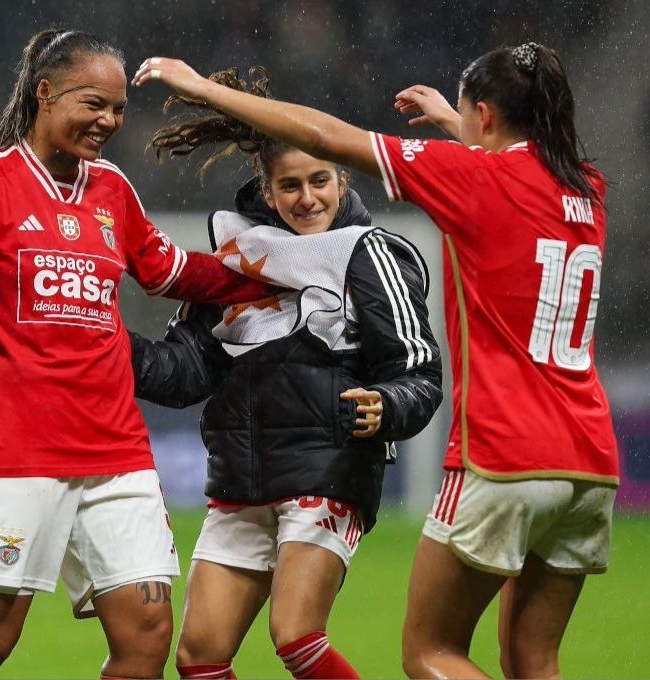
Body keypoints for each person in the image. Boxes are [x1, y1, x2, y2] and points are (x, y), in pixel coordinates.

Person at [135, 42, 618, 679]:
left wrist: (208, 90)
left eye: (469, 118)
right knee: (534, 660)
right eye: (289, 184)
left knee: (430, 653)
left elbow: (328, 135)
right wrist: (454, 122)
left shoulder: (467, 184)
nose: (307, 195)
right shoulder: (586, 186)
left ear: (488, 117)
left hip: (506, 453)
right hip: (590, 458)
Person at [0, 29, 272, 680]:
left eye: (117, 109)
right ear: (45, 92)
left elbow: (170, 271)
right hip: (16, 454)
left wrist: (269, 280)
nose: (108, 121)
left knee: (147, 639)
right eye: (94, 104)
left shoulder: (112, 190)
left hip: (116, 453)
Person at [127, 65, 442, 680]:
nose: (308, 198)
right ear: (267, 191)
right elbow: (188, 370)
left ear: (341, 176)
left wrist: (388, 403)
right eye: (290, 185)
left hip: (328, 470)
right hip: (242, 481)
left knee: (296, 633)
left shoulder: (368, 253)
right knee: (198, 657)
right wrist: (103, 343)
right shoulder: (241, 255)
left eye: (319, 180)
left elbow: (419, 372)